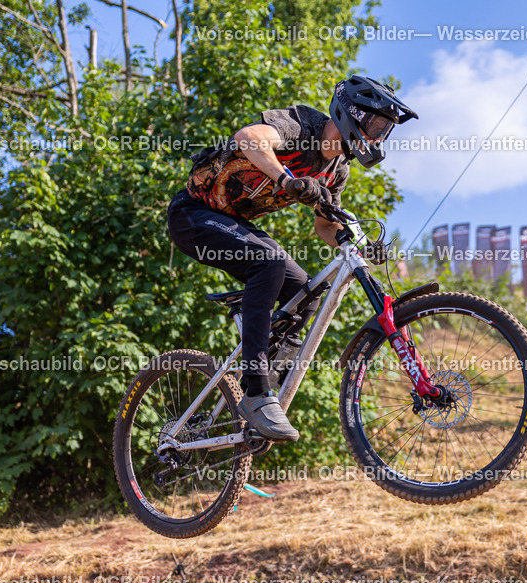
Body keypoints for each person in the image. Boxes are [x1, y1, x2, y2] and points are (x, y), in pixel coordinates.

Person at [166, 75, 417, 441]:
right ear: (351, 113)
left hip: (234, 223)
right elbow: (248, 138)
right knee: (267, 263)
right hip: (193, 214)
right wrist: (287, 180)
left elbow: (326, 226)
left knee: (305, 290)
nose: (379, 136)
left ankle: (268, 373)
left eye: (385, 131)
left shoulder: (337, 170)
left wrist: (363, 247)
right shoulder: (301, 126)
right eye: (377, 125)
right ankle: (255, 390)